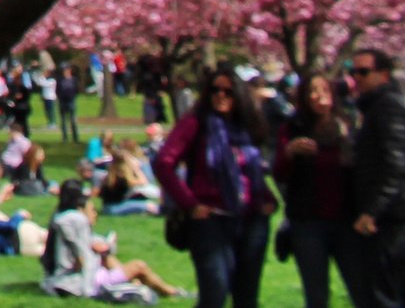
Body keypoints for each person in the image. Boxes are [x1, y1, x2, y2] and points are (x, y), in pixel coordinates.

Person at [151, 69, 273, 308]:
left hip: (251, 219)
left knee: (247, 298)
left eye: (228, 91)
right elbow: (164, 163)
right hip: (211, 220)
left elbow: (253, 170)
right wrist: (190, 203)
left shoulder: (246, 127)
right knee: (214, 294)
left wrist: (267, 199)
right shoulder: (196, 123)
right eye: (215, 90)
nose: (221, 95)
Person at [348, 48, 405, 308]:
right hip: (404, 211)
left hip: (396, 215)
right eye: (353, 72)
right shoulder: (383, 106)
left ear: (383, 75)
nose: (357, 78)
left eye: (363, 72)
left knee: (387, 293)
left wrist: (373, 210)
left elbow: (396, 164)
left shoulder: (385, 108)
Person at [274, 74, 363, 308]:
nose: (319, 96)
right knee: (316, 294)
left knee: (361, 288)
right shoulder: (292, 128)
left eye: (324, 89)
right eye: (312, 90)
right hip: (308, 221)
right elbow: (279, 174)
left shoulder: (347, 125)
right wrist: (289, 153)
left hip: (347, 220)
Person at [42, 179, 180, 301]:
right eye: (92, 210)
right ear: (80, 208)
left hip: (70, 276)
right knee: (139, 266)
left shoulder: (60, 217)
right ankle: (171, 292)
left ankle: (141, 284)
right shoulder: (75, 221)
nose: (95, 214)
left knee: (108, 257)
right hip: (84, 280)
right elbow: (81, 259)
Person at [100, 142, 160, 217]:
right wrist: (136, 168)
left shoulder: (111, 174)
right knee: (150, 206)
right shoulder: (122, 177)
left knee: (141, 201)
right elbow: (144, 182)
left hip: (108, 206)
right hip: (114, 208)